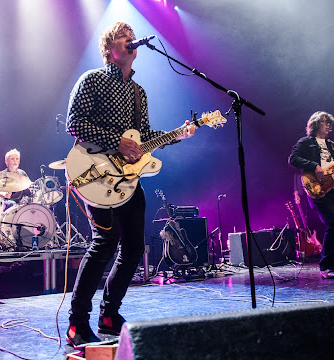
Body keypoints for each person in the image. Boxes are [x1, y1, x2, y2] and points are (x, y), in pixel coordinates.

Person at [64, 22, 196, 348]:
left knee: (135, 247)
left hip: (128, 180)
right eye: (123, 36)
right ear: (111, 48)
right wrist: (116, 143)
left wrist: (176, 134)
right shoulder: (92, 80)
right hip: (96, 172)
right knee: (104, 244)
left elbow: (144, 139)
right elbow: (74, 123)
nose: (130, 39)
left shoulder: (139, 93)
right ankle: (76, 323)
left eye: (131, 36)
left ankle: (109, 314)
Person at [288, 111, 334, 279]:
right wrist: (314, 165)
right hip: (317, 189)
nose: (329, 125)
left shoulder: (333, 145)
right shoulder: (306, 142)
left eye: (330, 122)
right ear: (316, 124)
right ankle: (326, 266)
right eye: (325, 122)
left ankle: (331, 264)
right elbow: (292, 159)